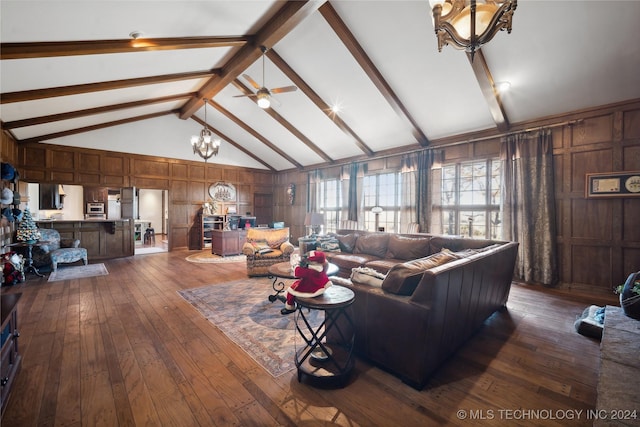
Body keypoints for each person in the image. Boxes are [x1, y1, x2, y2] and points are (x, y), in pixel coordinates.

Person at [281, 250, 332, 315]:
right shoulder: (321, 267)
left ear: (313, 261)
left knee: (292, 291)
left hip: (312, 289)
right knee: (298, 282)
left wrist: (295, 265)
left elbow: (297, 272)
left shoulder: (310, 271)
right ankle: (285, 295)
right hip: (319, 286)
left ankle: (290, 307)